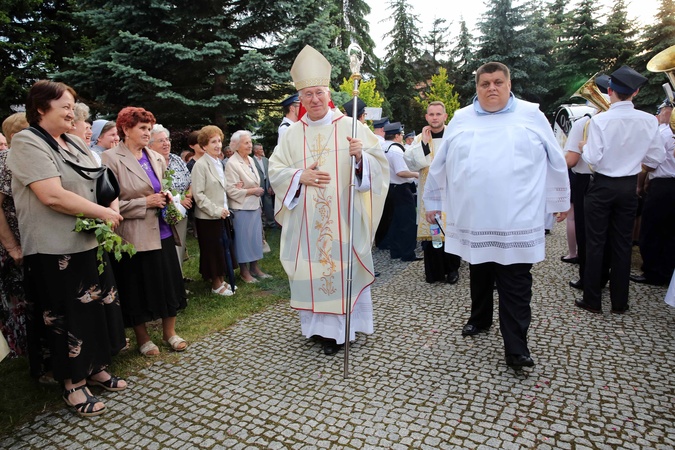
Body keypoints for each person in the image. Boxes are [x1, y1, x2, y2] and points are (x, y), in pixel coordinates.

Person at [423, 62, 570, 370]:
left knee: (515, 280)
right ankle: (480, 318)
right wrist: (433, 200)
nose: (492, 88)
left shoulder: (531, 115)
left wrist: (559, 199)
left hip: (517, 216)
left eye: (498, 82)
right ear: (477, 87)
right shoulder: (462, 118)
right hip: (474, 215)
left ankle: (516, 348)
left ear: (509, 84)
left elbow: (555, 158)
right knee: (479, 269)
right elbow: (440, 163)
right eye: (485, 83)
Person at [8, 80, 127, 416]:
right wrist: (103, 213)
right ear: (41, 108)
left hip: (87, 242)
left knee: (94, 308)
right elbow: (52, 195)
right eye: (65, 107)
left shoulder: (72, 141)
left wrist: (112, 205)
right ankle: (73, 385)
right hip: (53, 247)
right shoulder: (27, 142)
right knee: (66, 317)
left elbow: (98, 178)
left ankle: (95, 367)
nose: (72, 113)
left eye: (73, 108)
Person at [269, 45, 389, 356]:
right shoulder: (291, 135)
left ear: (328, 93)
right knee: (312, 272)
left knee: (339, 270)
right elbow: (275, 170)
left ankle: (342, 331)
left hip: (344, 221)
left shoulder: (351, 127)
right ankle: (316, 329)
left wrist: (361, 158)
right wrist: (299, 177)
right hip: (307, 225)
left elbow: (380, 165)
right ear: (301, 99)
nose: (314, 99)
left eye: (319, 93)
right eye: (307, 95)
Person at [575, 65, 666, 315]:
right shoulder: (649, 120)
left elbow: (593, 157)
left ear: (610, 91)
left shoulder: (600, 120)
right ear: (636, 92)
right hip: (628, 187)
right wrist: (634, 161)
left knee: (595, 243)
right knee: (623, 244)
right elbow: (656, 158)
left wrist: (583, 147)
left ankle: (592, 299)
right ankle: (619, 302)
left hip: (602, 186)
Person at [101, 106, 188, 356]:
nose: (148, 133)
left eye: (149, 128)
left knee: (168, 283)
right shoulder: (110, 159)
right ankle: (143, 338)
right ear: (126, 129)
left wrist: (168, 198)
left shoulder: (156, 157)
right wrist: (144, 203)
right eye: (142, 128)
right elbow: (107, 204)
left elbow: (163, 187)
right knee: (136, 287)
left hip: (163, 231)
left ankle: (170, 333)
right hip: (133, 235)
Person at [405, 101, 462, 284]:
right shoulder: (419, 139)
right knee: (432, 233)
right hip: (428, 193)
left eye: (438, 114)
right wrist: (423, 143)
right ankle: (434, 272)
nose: (435, 118)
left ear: (445, 116)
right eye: (431, 114)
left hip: (450, 192)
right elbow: (412, 163)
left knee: (450, 232)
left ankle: (452, 269)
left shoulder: (454, 135)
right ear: (426, 117)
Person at [564, 77, 612, 291]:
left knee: (587, 234)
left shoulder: (585, 122)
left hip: (587, 182)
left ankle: (588, 279)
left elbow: (572, 160)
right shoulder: (634, 119)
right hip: (618, 182)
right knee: (610, 234)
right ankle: (608, 278)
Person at [631, 99, 675, 286]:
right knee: (671, 231)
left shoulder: (663, 134)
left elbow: (650, 164)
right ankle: (667, 271)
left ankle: (653, 272)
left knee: (652, 229)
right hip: (668, 185)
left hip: (663, 186)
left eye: (663, 110)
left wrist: (640, 184)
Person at [191, 125, 236, 296]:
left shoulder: (218, 162)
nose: (218, 145)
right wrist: (216, 210)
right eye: (213, 142)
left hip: (222, 214)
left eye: (219, 141)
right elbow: (198, 195)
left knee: (222, 249)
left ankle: (222, 280)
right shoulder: (200, 165)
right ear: (204, 145)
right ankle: (216, 284)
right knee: (213, 251)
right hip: (208, 217)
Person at [225, 130, 270, 283]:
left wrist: (248, 188)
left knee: (255, 238)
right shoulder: (232, 163)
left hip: (255, 205)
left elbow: (252, 181)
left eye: (250, 142)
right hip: (241, 208)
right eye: (246, 143)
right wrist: (252, 191)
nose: (250, 145)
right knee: (243, 240)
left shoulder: (250, 159)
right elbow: (231, 190)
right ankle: (244, 272)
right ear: (237, 145)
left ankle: (255, 268)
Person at [148, 124, 193, 267]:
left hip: (182, 212)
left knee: (180, 247)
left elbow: (190, 181)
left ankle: (179, 277)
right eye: (161, 140)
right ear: (150, 145)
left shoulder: (176, 159)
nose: (166, 143)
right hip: (162, 215)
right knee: (167, 254)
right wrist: (178, 200)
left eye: (167, 139)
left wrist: (188, 196)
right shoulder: (149, 163)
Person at [381, 121, 419, 261]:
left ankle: (396, 251)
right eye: (401, 135)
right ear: (397, 136)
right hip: (401, 189)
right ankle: (408, 253)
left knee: (395, 222)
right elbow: (401, 172)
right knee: (408, 223)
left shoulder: (382, 147)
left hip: (390, 188)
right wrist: (417, 174)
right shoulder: (395, 150)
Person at [252, 143, 276, 228]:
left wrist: (270, 186)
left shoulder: (266, 160)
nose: (262, 151)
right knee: (259, 205)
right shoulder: (251, 161)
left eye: (262, 149)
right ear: (255, 151)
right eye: (260, 149)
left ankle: (271, 222)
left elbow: (270, 173)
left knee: (268, 204)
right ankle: (262, 224)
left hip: (267, 184)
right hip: (258, 185)